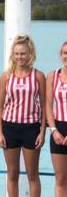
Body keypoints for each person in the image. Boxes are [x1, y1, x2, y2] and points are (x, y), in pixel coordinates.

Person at [0, 35, 45, 197]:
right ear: (13, 55)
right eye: (16, 53)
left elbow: (45, 106)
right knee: (12, 173)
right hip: (10, 128)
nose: (19, 57)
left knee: (32, 174)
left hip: (31, 129)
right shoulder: (6, 76)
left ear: (30, 54)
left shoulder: (38, 76)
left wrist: (42, 132)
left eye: (23, 53)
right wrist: (0, 132)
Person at [47, 41, 67, 197]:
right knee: (60, 179)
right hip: (58, 129)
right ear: (61, 55)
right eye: (65, 53)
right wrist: (54, 131)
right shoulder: (52, 76)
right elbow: (48, 105)